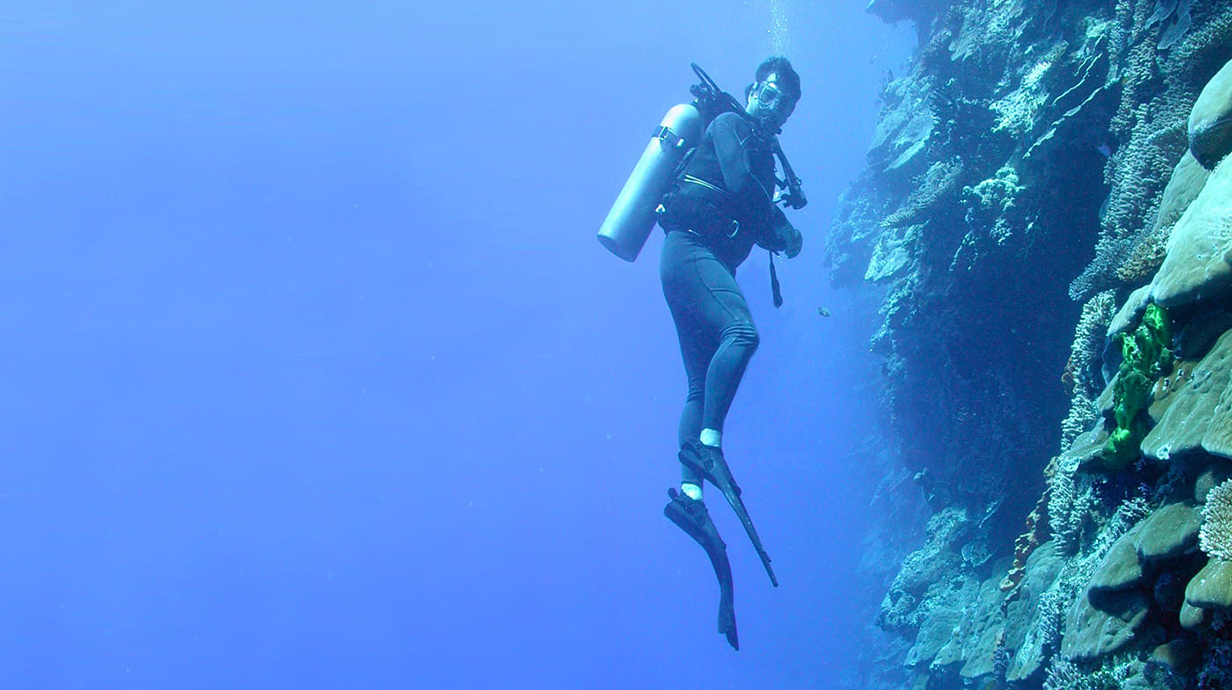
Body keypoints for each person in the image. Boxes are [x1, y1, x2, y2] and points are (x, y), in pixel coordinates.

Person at [657, 56, 803, 650]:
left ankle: (691, 497)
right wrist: (783, 231)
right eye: (767, 93)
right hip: (689, 252)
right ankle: (708, 449)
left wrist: (783, 234)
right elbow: (740, 190)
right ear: (750, 92)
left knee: (698, 387)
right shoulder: (728, 125)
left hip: (696, 263)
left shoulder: (763, 153)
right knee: (742, 333)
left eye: (784, 103)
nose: (773, 106)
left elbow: (756, 213)